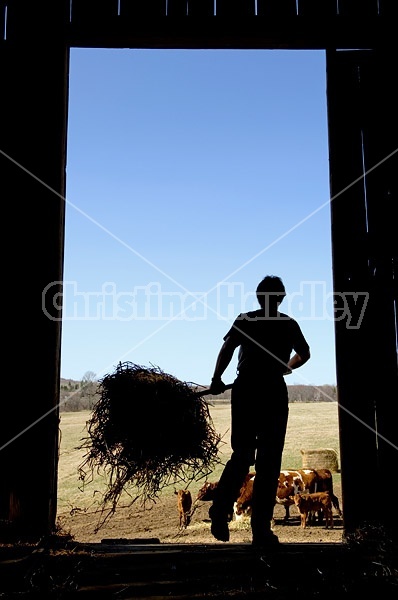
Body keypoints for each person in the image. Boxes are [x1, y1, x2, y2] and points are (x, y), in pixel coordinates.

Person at [208, 275, 310, 547]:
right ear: (281, 298)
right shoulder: (288, 324)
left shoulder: (246, 319)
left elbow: (227, 348)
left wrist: (217, 379)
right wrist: (286, 366)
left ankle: (220, 510)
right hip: (273, 393)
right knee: (269, 463)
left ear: (258, 296)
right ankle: (261, 531)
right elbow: (305, 354)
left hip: (246, 390)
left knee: (242, 456)